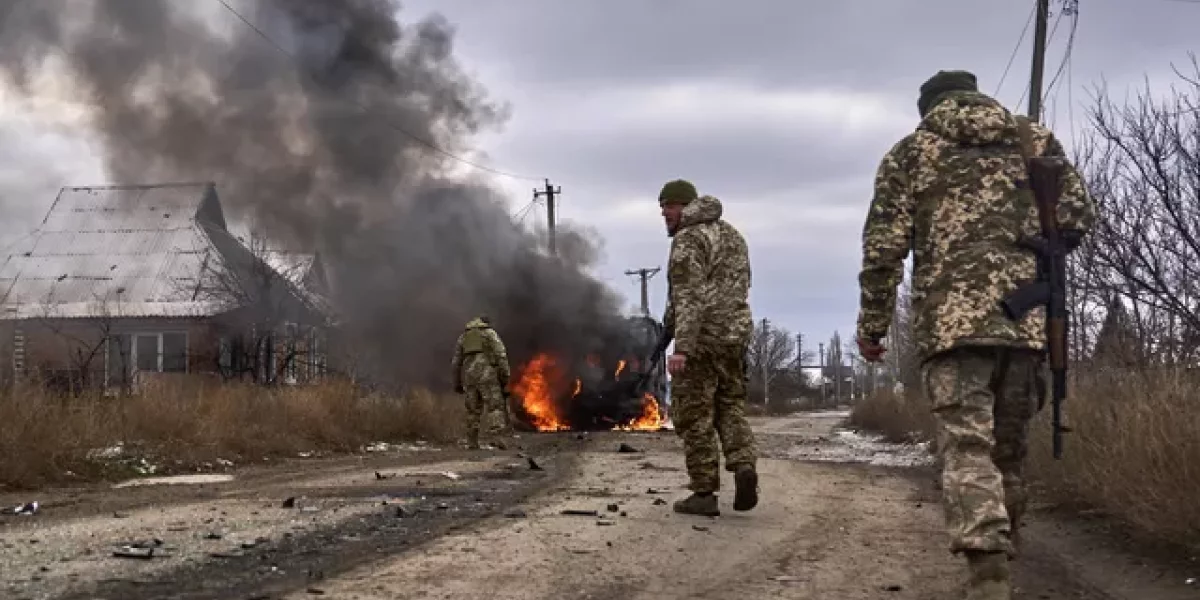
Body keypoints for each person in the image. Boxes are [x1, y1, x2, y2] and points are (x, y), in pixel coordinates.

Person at [854, 70, 1095, 599]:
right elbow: (1078, 218)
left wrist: (872, 326)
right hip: (1026, 326)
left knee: (968, 449)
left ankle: (988, 575)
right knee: (1008, 454)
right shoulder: (1032, 139)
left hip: (951, 330)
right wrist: (1029, 248)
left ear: (928, 109)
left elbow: (882, 251)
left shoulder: (910, 153)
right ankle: (1009, 553)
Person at [658, 179, 759, 517]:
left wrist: (681, 347)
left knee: (694, 416)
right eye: (662, 207)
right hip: (734, 338)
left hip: (701, 341)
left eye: (669, 206)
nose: (664, 213)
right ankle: (744, 465)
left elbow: (688, 296)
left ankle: (704, 493)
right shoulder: (732, 236)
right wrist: (665, 330)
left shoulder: (688, 239)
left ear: (685, 206)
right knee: (730, 406)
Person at [451, 315, 512, 450]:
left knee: (472, 410)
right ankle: (498, 439)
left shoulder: (464, 337)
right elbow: (501, 355)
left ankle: (472, 442)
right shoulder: (490, 334)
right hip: (487, 376)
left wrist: (457, 382)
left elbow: (456, 362)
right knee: (494, 407)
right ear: (485, 323)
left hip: (469, 377)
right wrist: (505, 377)